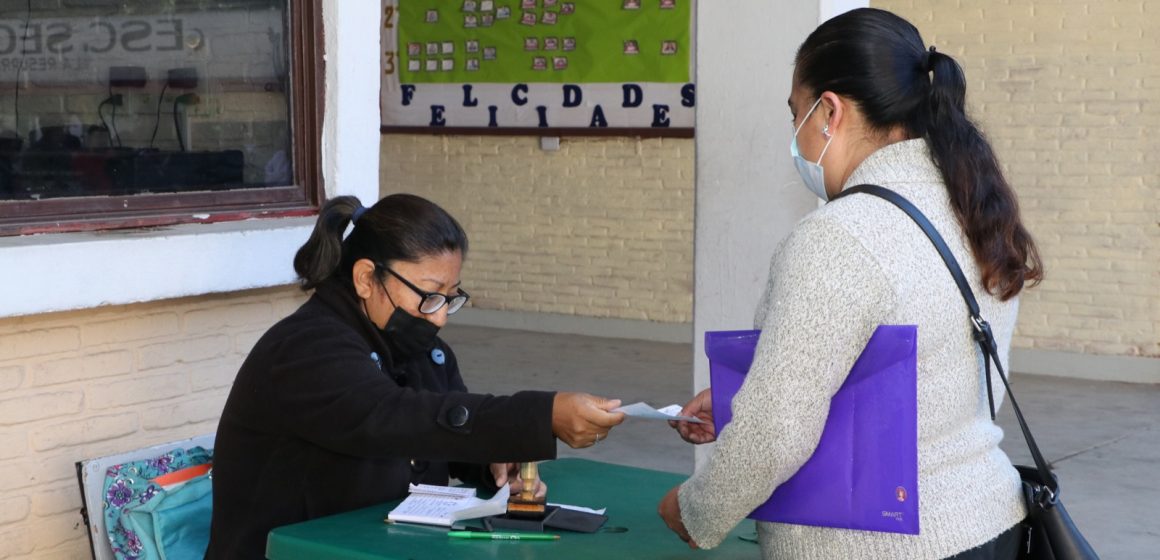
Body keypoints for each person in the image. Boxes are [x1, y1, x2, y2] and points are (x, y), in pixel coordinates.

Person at [659, 8, 1043, 559]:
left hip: (876, 544)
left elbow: (775, 435)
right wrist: (754, 394)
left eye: (797, 114)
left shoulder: (840, 236)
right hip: (987, 523)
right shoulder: (975, 210)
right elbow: (940, 384)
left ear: (830, 111)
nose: (795, 134)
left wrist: (697, 510)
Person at [206, 194, 625, 558]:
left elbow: (443, 434)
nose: (440, 316)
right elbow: (392, 417)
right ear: (367, 278)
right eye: (428, 296)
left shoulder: (423, 351)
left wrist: (498, 467)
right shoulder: (307, 349)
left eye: (449, 296)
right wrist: (540, 414)